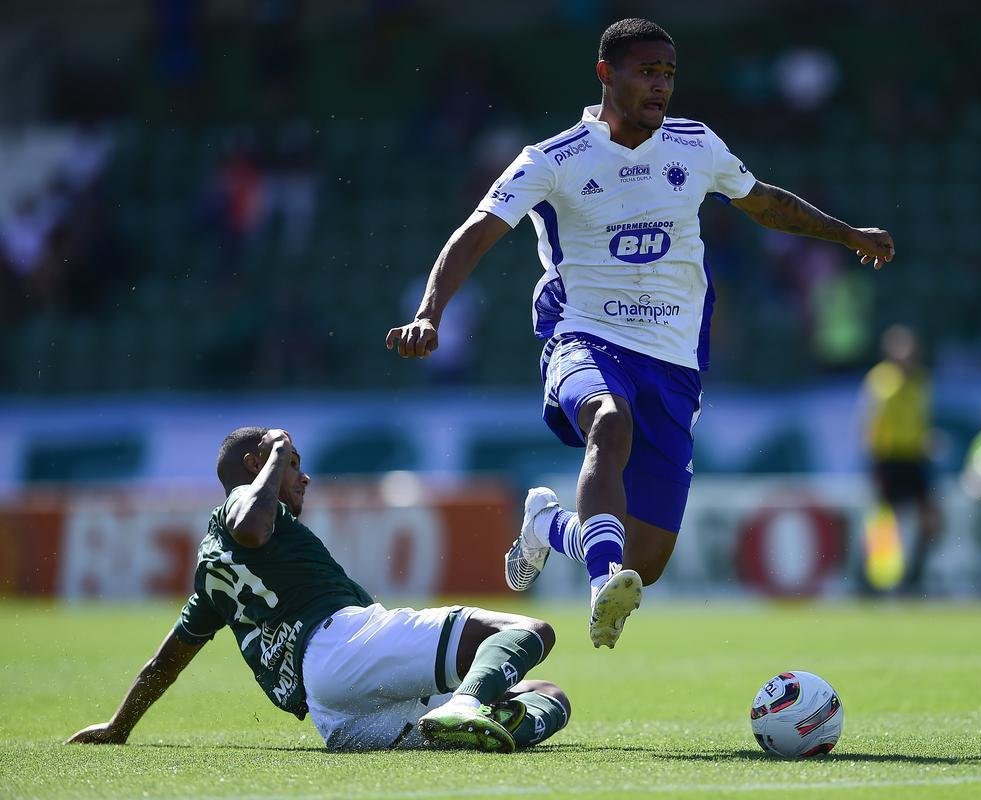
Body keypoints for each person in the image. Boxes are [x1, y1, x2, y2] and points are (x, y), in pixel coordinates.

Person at [387, 18, 895, 648]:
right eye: (647, 71)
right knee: (609, 420)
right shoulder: (553, 160)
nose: (661, 86)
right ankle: (601, 583)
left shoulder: (696, 145)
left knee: (647, 560)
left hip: (674, 359)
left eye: (669, 74)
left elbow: (762, 201)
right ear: (607, 74)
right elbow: (476, 234)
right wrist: (430, 313)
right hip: (584, 337)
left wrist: (845, 233)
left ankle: (548, 526)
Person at [66, 427, 570, 753]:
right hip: (342, 644)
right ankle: (467, 706)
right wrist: (276, 449)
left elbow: (166, 661)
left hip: (333, 714)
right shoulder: (242, 507)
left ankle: (480, 719)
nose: (302, 476)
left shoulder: (210, 575)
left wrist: (119, 725)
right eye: (293, 463)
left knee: (547, 695)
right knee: (526, 630)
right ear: (255, 465)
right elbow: (249, 527)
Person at [860, 325, 938, 593]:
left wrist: (927, 439)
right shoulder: (881, 380)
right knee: (885, 521)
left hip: (915, 457)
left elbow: (922, 417)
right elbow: (868, 421)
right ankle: (870, 578)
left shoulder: (921, 380)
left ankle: (914, 576)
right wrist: (872, 457)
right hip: (889, 457)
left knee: (930, 519)